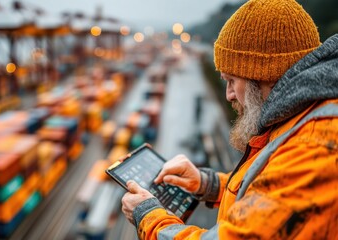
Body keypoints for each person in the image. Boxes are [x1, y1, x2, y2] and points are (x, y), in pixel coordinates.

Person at [121, 0, 338, 239]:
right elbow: (270, 198)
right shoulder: (303, 117)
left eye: (232, 80)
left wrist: (149, 217)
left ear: (263, 73)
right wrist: (208, 185)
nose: (229, 94)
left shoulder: (315, 146)